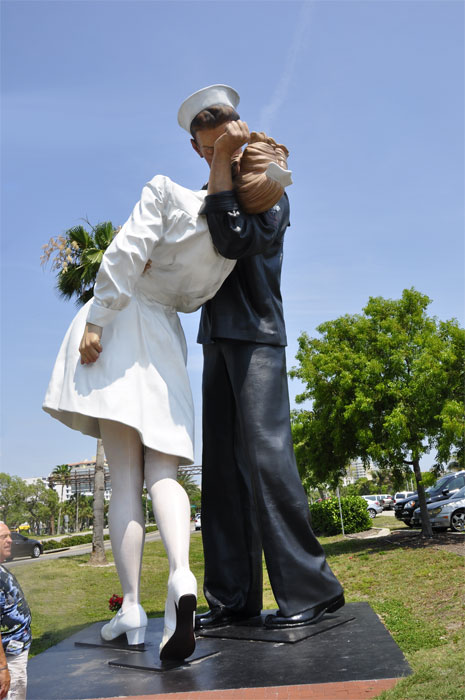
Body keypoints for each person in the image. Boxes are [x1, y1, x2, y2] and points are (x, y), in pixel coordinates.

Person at [43, 121, 239, 659]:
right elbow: (193, 296)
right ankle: (180, 576)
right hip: (165, 334)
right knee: (165, 473)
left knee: (125, 477)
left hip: (124, 322)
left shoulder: (165, 191)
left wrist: (98, 318)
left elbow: (127, 251)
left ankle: (131, 607)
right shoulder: (226, 240)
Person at [176, 84, 344, 630]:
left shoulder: (269, 179)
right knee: (222, 474)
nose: (208, 156)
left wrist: (226, 166)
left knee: (269, 464)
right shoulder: (210, 187)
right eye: (202, 150)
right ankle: (232, 600)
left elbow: (233, 241)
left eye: (216, 145)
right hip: (217, 339)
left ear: (236, 131)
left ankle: (312, 590)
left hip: (259, 335)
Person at [0, 522, 32, 700]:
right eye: (4, 537)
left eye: (9, 536)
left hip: (16, 651)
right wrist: (3, 668)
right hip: (9, 659)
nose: (10, 541)